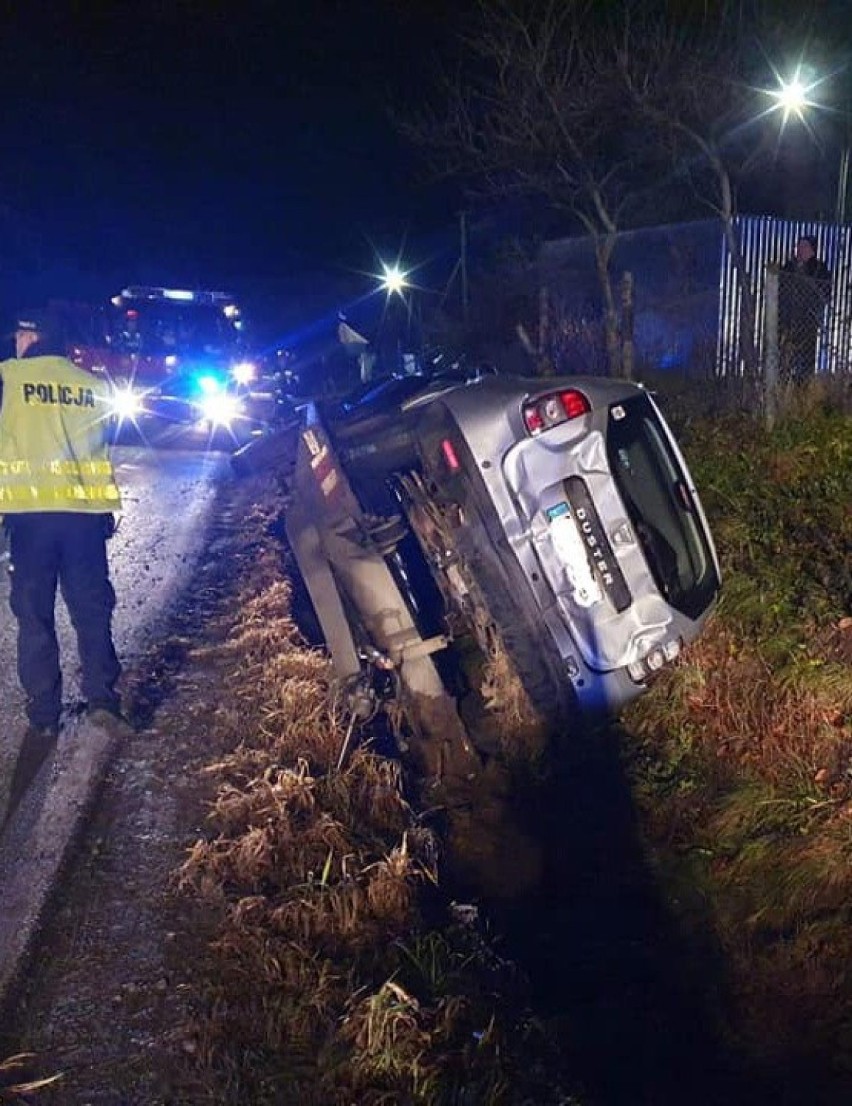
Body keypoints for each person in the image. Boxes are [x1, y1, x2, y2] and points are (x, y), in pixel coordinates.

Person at [0, 308, 129, 812]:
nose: (15, 341)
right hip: (81, 518)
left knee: (33, 616)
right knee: (92, 611)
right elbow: (96, 453)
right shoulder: (88, 383)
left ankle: (45, 713)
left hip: (30, 521)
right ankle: (103, 702)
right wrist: (105, 509)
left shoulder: (11, 378)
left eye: (21, 334)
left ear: (36, 337)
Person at [779, 235, 831, 383]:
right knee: (787, 357)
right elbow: (781, 290)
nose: (799, 250)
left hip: (808, 322)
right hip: (788, 321)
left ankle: (804, 387)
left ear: (812, 250)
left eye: (804, 247)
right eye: (798, 247)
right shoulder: (789, 267)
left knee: (806, 360)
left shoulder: (819, 269)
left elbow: (823, 294)